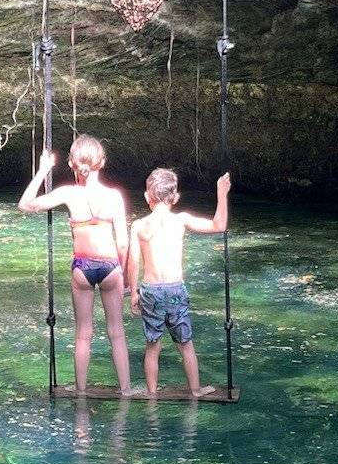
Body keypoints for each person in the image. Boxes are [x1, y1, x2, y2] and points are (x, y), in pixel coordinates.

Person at [18, 135, 134, 396]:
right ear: (102, 162)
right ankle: (126, 390)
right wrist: (123, 276)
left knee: (83, 334)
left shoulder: (69, 194)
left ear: (71, 163)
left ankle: (81, 391)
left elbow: (25, 205)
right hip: (110, 266)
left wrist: (43, 170)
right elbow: (124, 243)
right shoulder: (114, 196)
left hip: (82, 266)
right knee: (116, 332)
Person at [126, 166, 230, 399]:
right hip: (174, 289)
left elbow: (133, 262)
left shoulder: (139, 226)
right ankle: (195, 390)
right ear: (175, 197)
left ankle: (152, 394)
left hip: (150, 290)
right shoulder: (181, 220)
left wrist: (134, 293)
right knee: (185, 344)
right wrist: (221, 193)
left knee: (153, 345)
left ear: (147, 197)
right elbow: (218, 225)